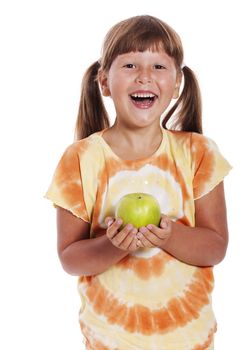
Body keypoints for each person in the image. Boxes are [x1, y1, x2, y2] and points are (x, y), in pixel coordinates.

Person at [45, 15, 232, 350]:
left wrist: (170, 234)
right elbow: (70, 258)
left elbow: (215, 246)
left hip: (190, 341)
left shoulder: (198, 153)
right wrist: (114, 245)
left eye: (159, 66)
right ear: (103, 81)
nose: (145, 76)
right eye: (130, 64)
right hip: (111, 342)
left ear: (176, 84)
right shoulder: (81, 160)